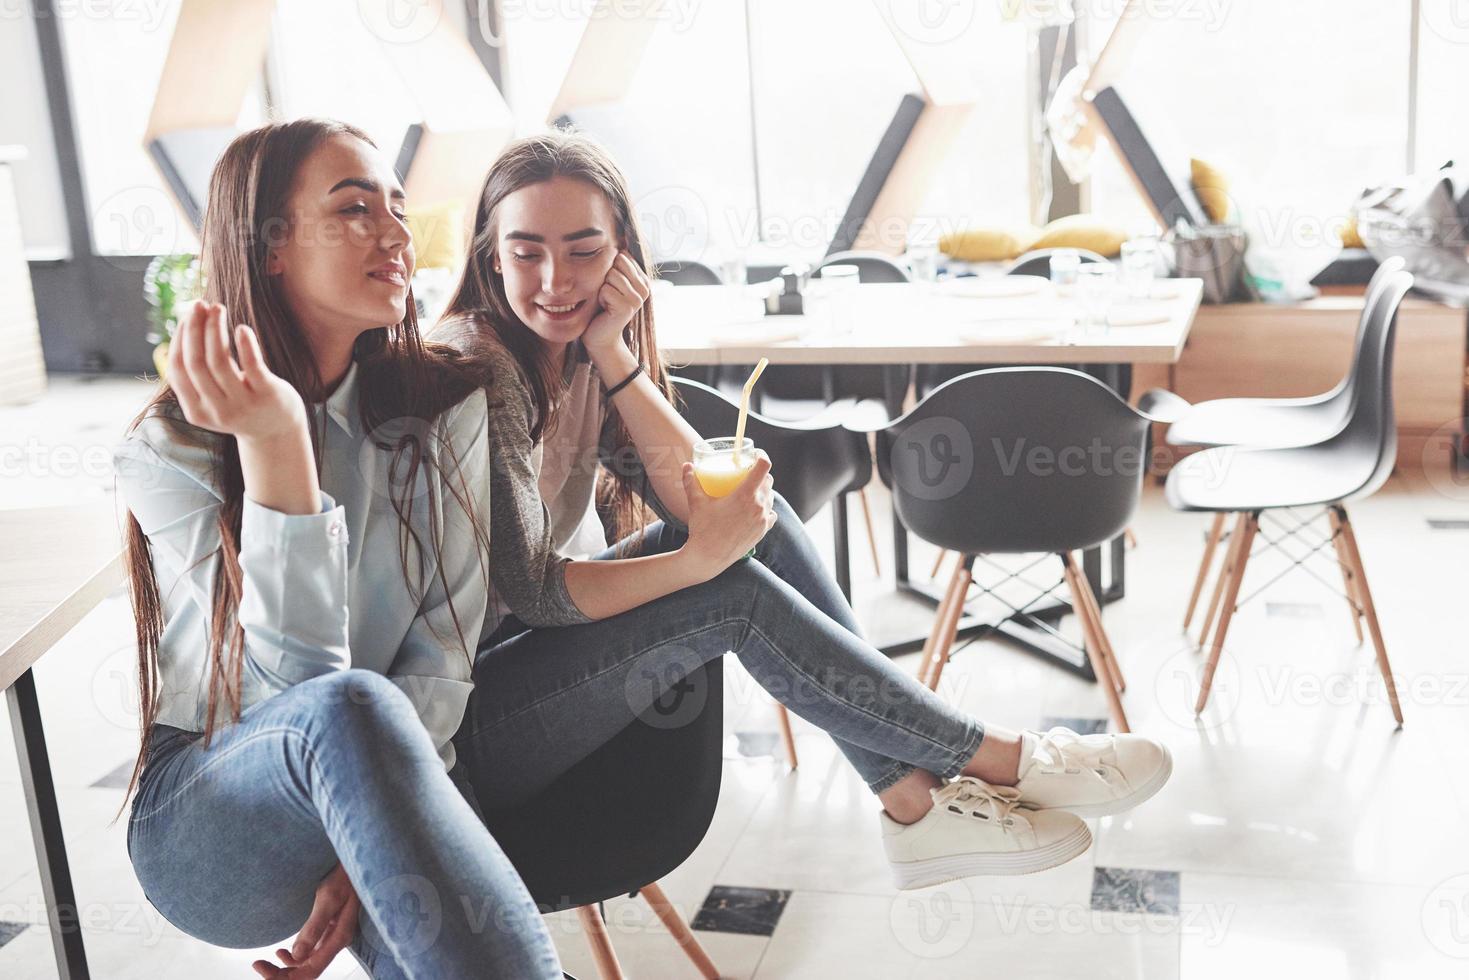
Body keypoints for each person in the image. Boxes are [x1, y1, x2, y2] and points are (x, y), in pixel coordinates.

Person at [436, 130, 1174, 893]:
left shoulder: (577, 349)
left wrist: (616, 355)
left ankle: (912, 801)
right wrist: (695, 562)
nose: (555, 280)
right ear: (491, 254)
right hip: (466, 725)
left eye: (584, 251)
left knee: (767, 524)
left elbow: (709, 500)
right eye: (526, 253)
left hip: (529, 656)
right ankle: (995, 760)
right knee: (729, 592)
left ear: (623, 254)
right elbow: (534, 591)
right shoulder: (481, 362)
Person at [116, 119, 562, 979]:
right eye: (356, 208)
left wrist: (372, 829)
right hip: (213, 817)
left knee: (373, 730)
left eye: (397, 207)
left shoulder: (445, 403)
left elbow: (442, 653)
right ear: (269, 248)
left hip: (392, 770)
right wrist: (278, 445)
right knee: (348, 705)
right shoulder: (170, 447)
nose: (396, 233)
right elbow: (288, 698)